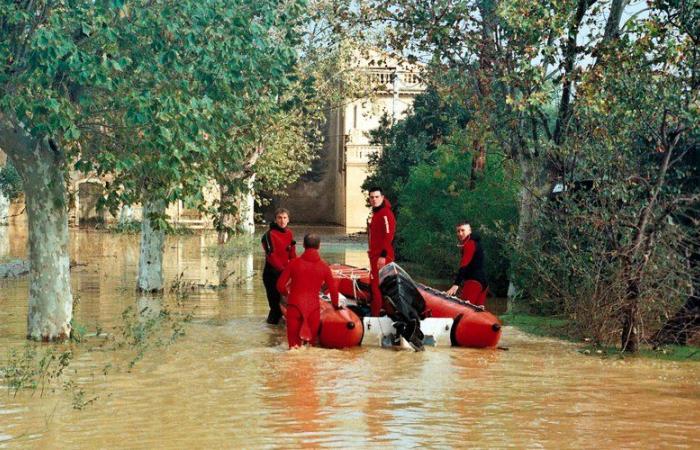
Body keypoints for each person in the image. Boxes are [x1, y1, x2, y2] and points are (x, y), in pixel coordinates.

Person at [276, 234, 339, 348]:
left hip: (294, 306)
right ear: (319, 246)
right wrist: (335, 306)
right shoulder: (324, 266)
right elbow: (334, 290)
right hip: (313, 309)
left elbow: (280, 285)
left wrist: (287, 294)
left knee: (293, 347)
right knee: (309, 347)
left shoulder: (293, 263)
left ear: (303, 245)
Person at [261, 208, 296, 324]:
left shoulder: (290, 234)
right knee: (275, 307)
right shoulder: (268, 235)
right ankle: (271, 336)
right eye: (279, 218)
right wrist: (284, 271)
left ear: (288, 219)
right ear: (275, 220)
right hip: (272, 274)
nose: (282, 221)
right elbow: (271, 256)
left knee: (285, 306)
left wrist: (296, 269)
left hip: (285, 274)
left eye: (285, 218)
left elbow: (292, 254)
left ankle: (278, 336)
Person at [367, 187, 396, 316]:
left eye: (377, 197)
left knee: (376, 287)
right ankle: (384, 313)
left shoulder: (385, 213)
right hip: (375, 256)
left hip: (382, 256)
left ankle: (375, 316)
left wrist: (383, 255)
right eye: (372, 197)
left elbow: (389, 235)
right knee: (379, 287)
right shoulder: (377, 213)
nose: (374, 200)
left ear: (382, 197)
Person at [446, 221, 488, 306]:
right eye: (458, 231)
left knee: (463, 309)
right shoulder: (476, 243)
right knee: (475, 314)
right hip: (483, 283)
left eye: (463, 230)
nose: (460, 233)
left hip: (474, 282)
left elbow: (464, 265)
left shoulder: (470, 243)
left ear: (469, 231)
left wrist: (456, 284)